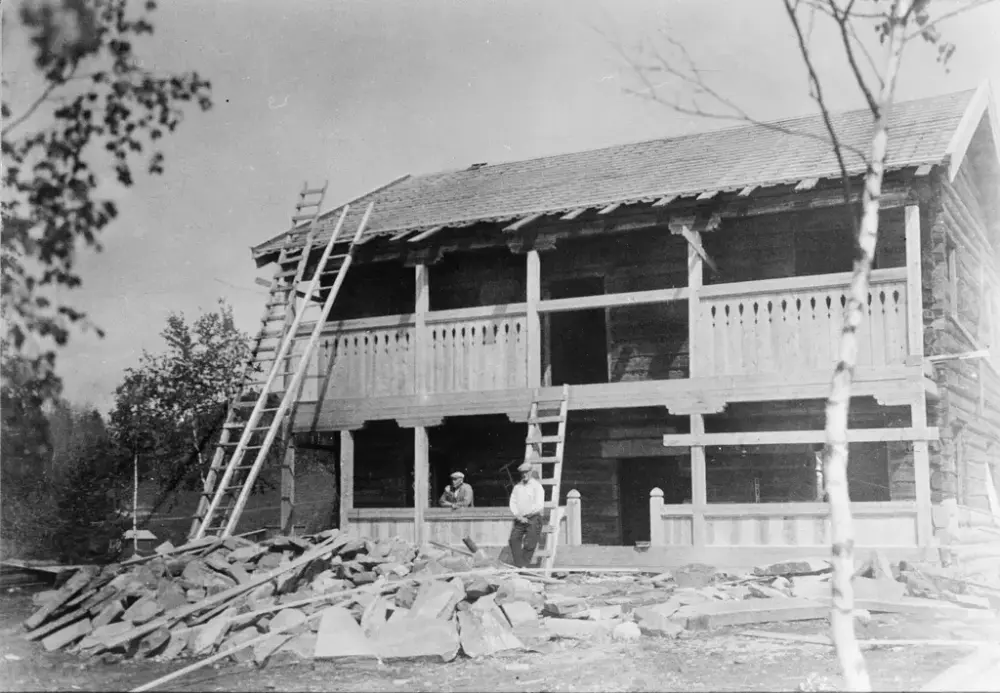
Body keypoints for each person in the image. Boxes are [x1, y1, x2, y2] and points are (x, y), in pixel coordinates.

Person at [507, 460, 545, 568]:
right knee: (513, 539)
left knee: (530, 543)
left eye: (526, 472)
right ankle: (520, 566)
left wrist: (526, 515)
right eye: (522, 473)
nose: (524, 475)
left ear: (530, 472)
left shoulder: (537, 486)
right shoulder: (517, 487)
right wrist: (518, 515)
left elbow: (539, 505)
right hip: (520, 519)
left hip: (533, 518)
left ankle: (523, 566)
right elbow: (512, 502)